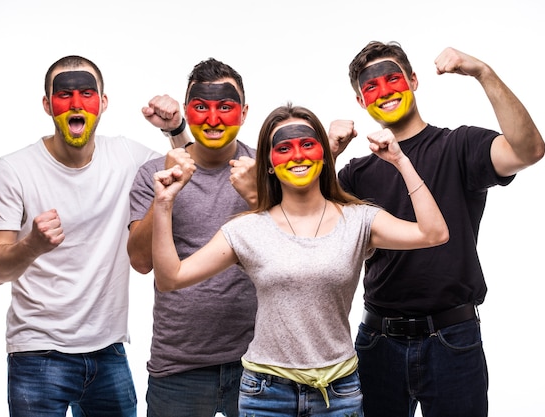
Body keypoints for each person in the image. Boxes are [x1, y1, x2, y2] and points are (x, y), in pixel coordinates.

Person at [150, 103, 449, 417]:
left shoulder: (359, 221)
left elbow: (434, 233)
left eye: (307, 144)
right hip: (266, 393)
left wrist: (401, 161)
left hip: (338, 392)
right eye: (284, 148)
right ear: (267, 163)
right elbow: (171, 278)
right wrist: (163, 204)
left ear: (322, 153)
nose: (298, 156)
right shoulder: (247, 229)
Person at [329, 41, 545, 417]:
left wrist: (483, 72)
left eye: (393, 79)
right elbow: (301, 226)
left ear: (413, 80)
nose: (385, 91)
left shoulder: (459, 146)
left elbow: (529, 151)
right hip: (377, 342)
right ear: (361, 102)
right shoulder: (356, 174)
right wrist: (329, 151)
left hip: (452, 340)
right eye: (371, 87)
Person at [0, 55, 189, 417]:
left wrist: (176, 129)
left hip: (109, 352)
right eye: (64, 95)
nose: (76, 104)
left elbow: (188, 169)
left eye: (87, 93)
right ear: (47, 105)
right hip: (37, 353)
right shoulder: (12, 170)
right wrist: (32, 245)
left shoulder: (125, 156)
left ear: (103, 103)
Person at [127, 58, 258, 417]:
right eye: (201, 107)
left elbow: (296, 248)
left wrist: (257, 196)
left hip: (258, 364)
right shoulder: (154, 172)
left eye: (225, 107)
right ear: (187, 111)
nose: (213, 119)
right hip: (178, 368)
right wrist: (164, 196)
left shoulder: (266, 169)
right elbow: (140, 262)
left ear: (244, 112)